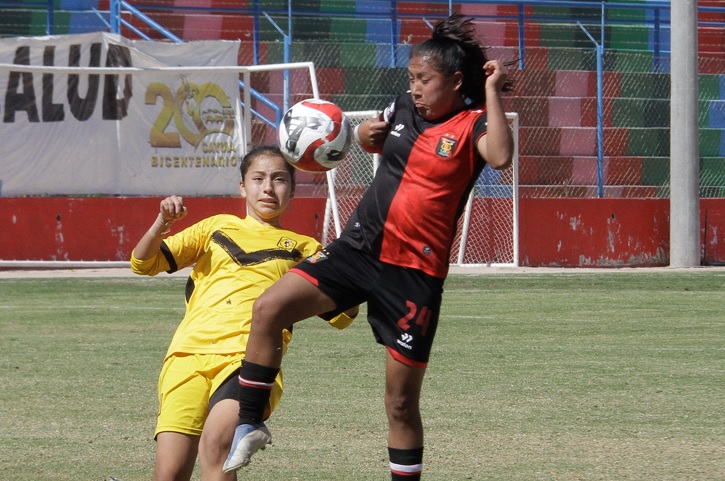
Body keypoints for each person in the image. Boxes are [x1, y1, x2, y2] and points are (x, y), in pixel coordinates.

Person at [224, 13, 514, 480]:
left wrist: (494, 92)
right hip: (356, 251)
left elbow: (501, 157)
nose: (415, 87)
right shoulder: (402, 106)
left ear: (455, 80)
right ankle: (249, 422)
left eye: (424, 79)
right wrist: (362, 136)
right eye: (411, 78)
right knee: (268, 309)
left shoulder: (472, 124)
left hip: (412, 278)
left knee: (399, 403)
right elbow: (366, 135)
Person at [130, 146, 357, 481]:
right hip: (185, 357)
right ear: (242, 186)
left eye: (279, 180)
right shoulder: (216, 227)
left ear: (292, 191)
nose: (268, 188)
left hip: (248, 361)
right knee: (168, 474)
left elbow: (345, 314)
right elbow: (143, 262)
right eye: (258, 179)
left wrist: (347, 269)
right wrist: (161, 222)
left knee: (217, 448)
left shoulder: (304, 247)